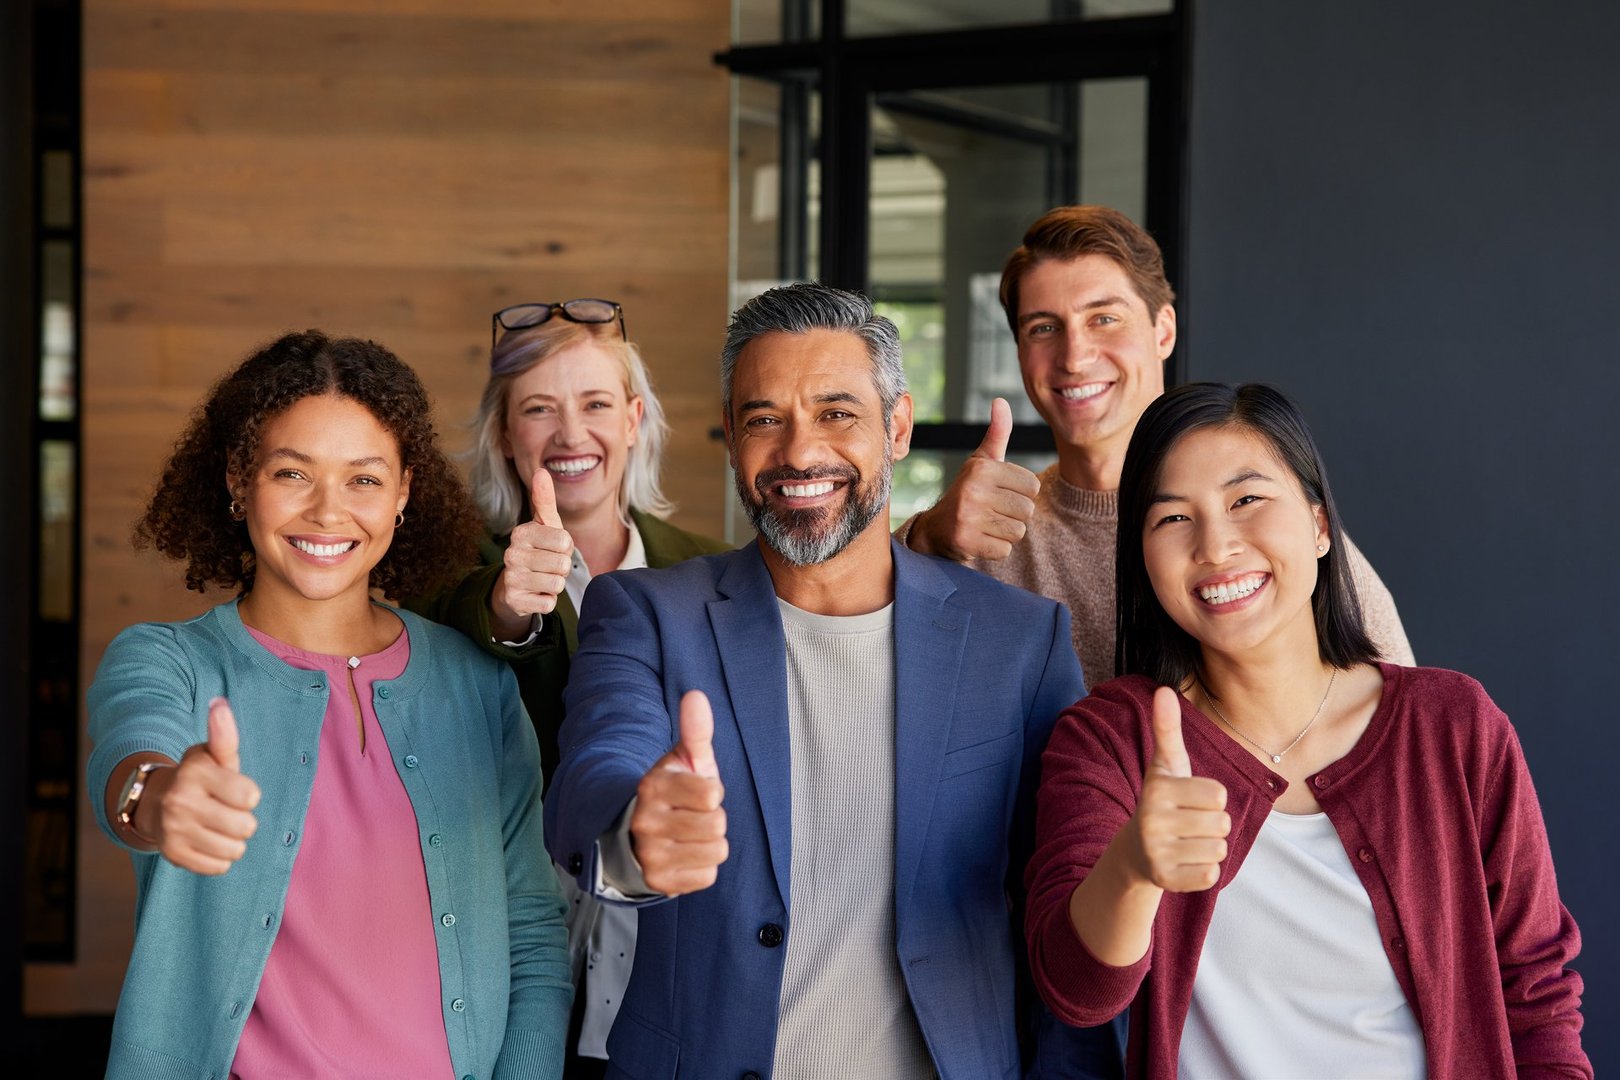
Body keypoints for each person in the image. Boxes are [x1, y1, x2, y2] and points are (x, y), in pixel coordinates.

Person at [543, 283, 1118, 1077]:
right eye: (764, 419)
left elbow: (1065, 903)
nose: (799, 451)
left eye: (837, 413)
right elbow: (595, 767)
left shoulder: (1018, 640)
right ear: (731, 440)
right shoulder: (645, 612)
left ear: (899, 427)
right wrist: (638, 832)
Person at [1024, 383, 1589, 1079]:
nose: (1216, 545)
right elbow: (1074, 994)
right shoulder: (1110, 739)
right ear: (1142, 556)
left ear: (1320, 526)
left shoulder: (1453, 724)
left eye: (1247, 500)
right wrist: (1134, 869)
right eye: (1172, 519)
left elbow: (1535, 991)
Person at [87, 330, 572, 1079]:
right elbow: (132, 761)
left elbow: (533, 932)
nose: (326, 511)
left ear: (405, 493)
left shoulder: (476, 685)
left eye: (364, 480)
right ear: (237, 481)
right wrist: (159, 796)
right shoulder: (169, 660)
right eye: (292, 472)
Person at [408, 301, 728, 1076]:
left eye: (593, 404)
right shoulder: (450, 576)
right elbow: (473, 612)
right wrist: (513, 606)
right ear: (503, 436)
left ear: (633, 419)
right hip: (513, 968)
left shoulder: (712, 568)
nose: (570, 434)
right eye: (538, 410)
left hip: (679, 974)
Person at [902, 205, 1413, 690]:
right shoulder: (986, 533)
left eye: (1104, 318)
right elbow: (840, 630)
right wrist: (927, 536)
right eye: (1044, 328)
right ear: (1019, 351)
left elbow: (1393, 727)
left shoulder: (1263, 531)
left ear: (1162, 329)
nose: (1075, 358)